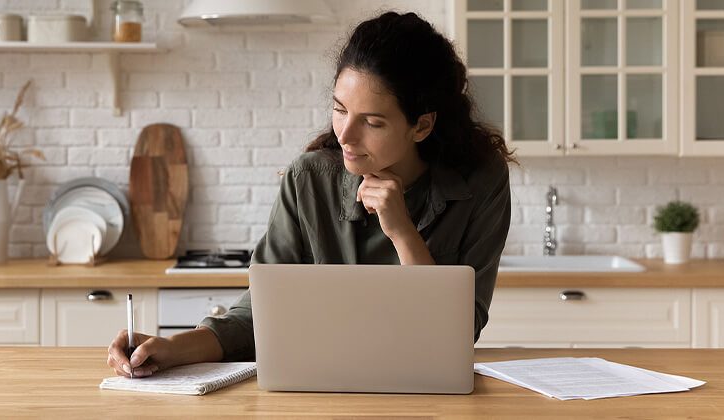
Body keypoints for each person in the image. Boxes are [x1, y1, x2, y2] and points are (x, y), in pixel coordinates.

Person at [107, 11, 517, 378]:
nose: (345, 135)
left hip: (429, 393)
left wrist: (403, 232)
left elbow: (457, 332)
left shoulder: (480, 182)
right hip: (318, 391)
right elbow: (260, 315)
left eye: (372, 122)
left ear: (422, 126)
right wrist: (172, 347)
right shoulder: (309, 179)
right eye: (340, 109)